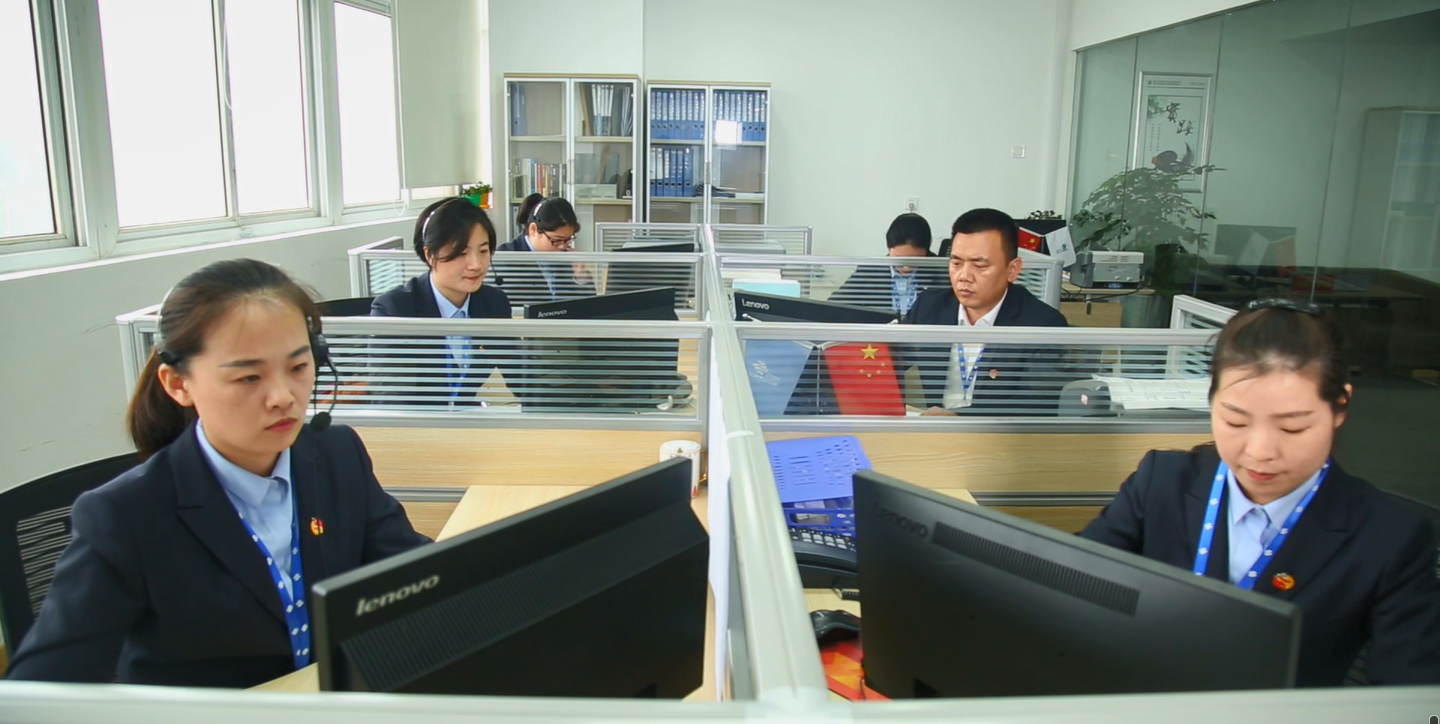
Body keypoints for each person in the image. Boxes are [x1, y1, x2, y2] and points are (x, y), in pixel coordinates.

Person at [7, 260, 430, 688]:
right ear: (178, 384)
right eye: (248, 377)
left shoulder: (338, 456)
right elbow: (42, 688)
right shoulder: (126, 515)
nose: (283, 397)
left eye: (299, 368)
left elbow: (415, 573)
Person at [1079, 299, 1440, 687]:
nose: (1260, 452)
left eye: (1292, 428)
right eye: (1235, 421)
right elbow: (1071, 587)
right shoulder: (1162, 483)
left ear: (1339, 407)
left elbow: (1409, 691)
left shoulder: (1389, 536)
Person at [899, 208, 1069, 415]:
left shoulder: (1042, 324)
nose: (964, 276)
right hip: (933, 431)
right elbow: (890, 362)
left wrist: (959, 419)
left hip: (996, 435)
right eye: (956, 263)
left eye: (979, 266)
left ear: (1012, 270)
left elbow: (1036, 403)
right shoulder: (928, 307)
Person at [371, 197, 514, 407]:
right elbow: (391, 399)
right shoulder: (394, 309)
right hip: (416, 423)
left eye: (483, 251)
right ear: (430, 254)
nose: (476, 265)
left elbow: (522, 376)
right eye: (461, 253)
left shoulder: (494, 303)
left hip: (469, 420)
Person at [830, 212, 946, 316]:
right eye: (900, 260)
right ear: (889, 248)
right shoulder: (869, 272)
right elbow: (833, 307)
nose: (906, 268)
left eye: (915, 260)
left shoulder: (941, 273)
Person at [495, 194, 594, 304]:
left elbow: (589, 306)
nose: (563, 246)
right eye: (557, 240)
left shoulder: (567, 258)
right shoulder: (504, 260)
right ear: (533, 230)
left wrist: (580, 277)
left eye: (568, 239)